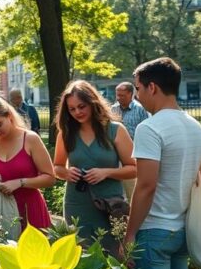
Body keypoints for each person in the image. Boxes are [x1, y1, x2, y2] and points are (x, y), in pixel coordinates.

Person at [119, 57, 201, 269]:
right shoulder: (195, 126)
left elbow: (146, 185)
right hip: (182, 228)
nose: (137, 96)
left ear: (152, 87)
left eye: (138, 89)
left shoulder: (150, 127)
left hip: (154, 229)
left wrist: (130, 235)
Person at [52, 80, 137, 255]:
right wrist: (67, 173)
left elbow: (134, 168)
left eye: (81, 106)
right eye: (72, 109)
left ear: (93, 102)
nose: (77, 112)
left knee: (114, 255)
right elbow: (57, 168)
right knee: (82, 255)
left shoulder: (115, 130)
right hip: (77, 203)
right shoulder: (66, 134)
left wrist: (106, 172)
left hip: (110, 205)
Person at [0, 96, 54, 231]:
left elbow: (50, 178)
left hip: (30, 210)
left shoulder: (30, 138)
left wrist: (20, 182)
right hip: (2, 214)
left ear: (9, 115)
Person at [111, 81, 149, 200]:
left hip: (134, 154)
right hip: (115, 154)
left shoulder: (140, 110)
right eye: (117, 95)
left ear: (130, 94)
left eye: (122, 95)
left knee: (132, 187)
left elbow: (146, 132)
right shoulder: (113, 109)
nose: (118, 98)